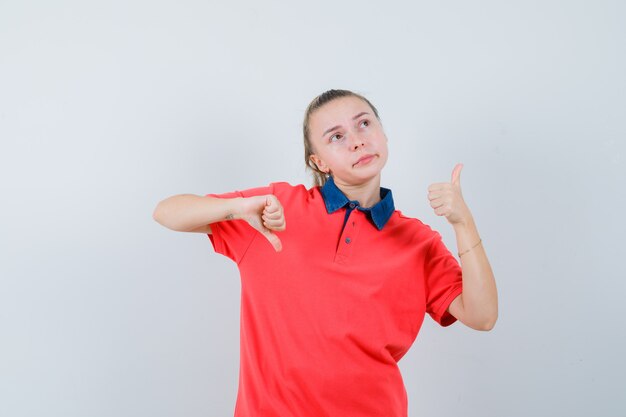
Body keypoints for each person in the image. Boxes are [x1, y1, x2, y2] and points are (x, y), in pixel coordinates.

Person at [152, 89, 498, 417]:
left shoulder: (418, 241)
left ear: (384, 134)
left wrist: (463, 222)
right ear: (319, 161)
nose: (357, 140)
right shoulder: (275, 208)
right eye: (336, 136)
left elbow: (482, 316)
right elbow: (167, 212)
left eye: (364, 123)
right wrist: (235, 208)